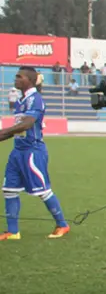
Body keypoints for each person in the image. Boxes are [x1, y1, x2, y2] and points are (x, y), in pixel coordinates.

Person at [0, 67, 71, 240]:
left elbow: (27, 124)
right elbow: (17, 129)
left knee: (43, 190)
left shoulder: (35, 99)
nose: (15, 79)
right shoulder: (20, 100)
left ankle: (62, 225)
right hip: (18, 151)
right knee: (9, 190)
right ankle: (13, 231)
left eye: (19, 77)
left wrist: (4, 131)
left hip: (32, 151)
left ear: (29, 80)